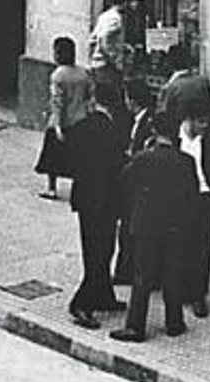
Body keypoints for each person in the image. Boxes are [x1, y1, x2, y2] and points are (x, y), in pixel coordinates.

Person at [110, 113, 197, 343]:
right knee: (173, 273)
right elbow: (192, 196)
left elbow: (124, 183)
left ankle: (136, 326)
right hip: (175, 226)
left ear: (155, 132)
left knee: (142, 276)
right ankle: (174, 322)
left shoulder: (143, 159)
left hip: (146, 225)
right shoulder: (186, 161)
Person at [65, 80, 128, 329]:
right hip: (105, 200)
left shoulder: (81, 126)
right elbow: (116, 165)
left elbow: (70, 161)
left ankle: (103, 296)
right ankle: (82, 303)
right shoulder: (110, 129)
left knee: (95, 249)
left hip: (86, 199)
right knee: (101, 252)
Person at [178, 97, 210, 319]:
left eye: (207, 122)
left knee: (202, 248)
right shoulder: (173, 138)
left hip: (204, 199)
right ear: (188, 120)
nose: (205, 126)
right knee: (180, 246)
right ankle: (179, 289)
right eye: (200, 122)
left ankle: (199, 294)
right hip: (179, 200)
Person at [36, 36, 95, 200]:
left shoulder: (58, 75)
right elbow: (90, 97)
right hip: (81, 119)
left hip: (63, 121)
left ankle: (52, 188)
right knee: (79, 156)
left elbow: (57, 103)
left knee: (52, 157)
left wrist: (57, 125)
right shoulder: (83, 73)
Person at [112, 82, 157, 286]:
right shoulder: (138, 120)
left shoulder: (148, 123)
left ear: (133, 101)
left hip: (140, 187)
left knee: (129, 232)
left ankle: (127, 272)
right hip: (136, 185)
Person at [88, 0, 130, 106]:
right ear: (124, 2)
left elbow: (93, 39)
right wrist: (113, 59)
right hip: (107, 67)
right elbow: (104, 38)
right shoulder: (115, 18)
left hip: (97, 65)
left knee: (101, 100)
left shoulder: (104, 16)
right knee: (111, 101)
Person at [158, 69, 210, 134]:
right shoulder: (203, 81)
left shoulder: (174, 85)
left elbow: (166, 110)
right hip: (203, 123)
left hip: (181, 125)